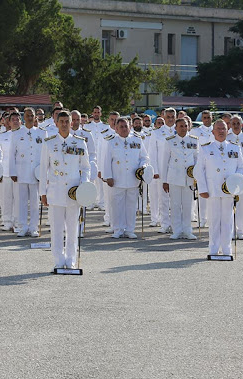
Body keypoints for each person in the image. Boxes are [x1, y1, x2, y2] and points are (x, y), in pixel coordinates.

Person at [39, 111, 90, 269]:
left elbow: (86, 168)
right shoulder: (49, 143)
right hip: (55, 191)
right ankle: (58, 259)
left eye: (67, 121)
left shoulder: (80, 143)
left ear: (72, 123)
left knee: (72, 228)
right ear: (56, 123)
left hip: (74, 192)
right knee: (56, 228)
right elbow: (43, 170)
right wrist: (43, 192)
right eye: (61, 121)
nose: (64, 124)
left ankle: (71, 259)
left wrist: (84, 186)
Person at [195, 120, 243, 257]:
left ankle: (227, 249)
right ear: (213, 132)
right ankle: (213, 249)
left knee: (228, 221)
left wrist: (236, 182)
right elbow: (199, 170)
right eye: (218, 129)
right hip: (213, 190)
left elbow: (241, 167)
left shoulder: (235, 148)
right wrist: (202, 189)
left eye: (223, 128)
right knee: (215, 220)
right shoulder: (206, 148)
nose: (221, 131)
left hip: (229, 190)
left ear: (227, 130)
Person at [102, 117, 149, 239]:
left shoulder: (137, 140)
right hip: (117, 179)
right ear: (116, 129)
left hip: (133, 179)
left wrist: (142, 168)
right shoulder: (111, 142)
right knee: (117, 206)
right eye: (121, 127)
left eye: (126, 126)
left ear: (130, 127)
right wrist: (108, 177)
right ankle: (118, 229)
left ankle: (130, 229)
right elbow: (107, 161)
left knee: (131, 206)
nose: (124, 129)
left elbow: (144, 157)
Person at [9, 107, 46, 237]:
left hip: (36, 173)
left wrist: (45, 173)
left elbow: (45, 155)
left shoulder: (42, 133)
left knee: (35, 202)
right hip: (21, 172)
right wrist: (12, 171)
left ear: (35, 117)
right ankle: (22, 226)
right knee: (21, 202)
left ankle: (34, 227)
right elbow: (12, 154)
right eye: (27, 115)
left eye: (32, 116)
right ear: (23, 118)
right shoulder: (16, 133)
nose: (30, 118)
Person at [161, 118, 199, 240]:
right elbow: (164, 162)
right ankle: (176, 230)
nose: (183, 128)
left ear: (188, 127)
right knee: (175, 205)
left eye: (185, 126)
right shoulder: (170, 141)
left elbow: (197, 159)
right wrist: (164, 181)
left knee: (188, 206)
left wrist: (197, 177)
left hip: (189, 178)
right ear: (176, 128)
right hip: (174, 177)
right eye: (181, 126)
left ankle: (187, 230)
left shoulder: (194, 140)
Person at [149, 108, 176, 233]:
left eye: (172, 116)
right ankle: (165, 223)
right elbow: (152, 153)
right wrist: (155, 170)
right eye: (168, 117)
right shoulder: (157, 133)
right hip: (162, 169)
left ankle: (176, 224)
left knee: (177, 200)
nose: (170, 119)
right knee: (163, 199)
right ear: (163, 118)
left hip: (177, 170)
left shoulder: (180, 130)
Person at [0, 112, 20, 231]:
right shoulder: (2, 136)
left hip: (20, 172)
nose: (15, 121)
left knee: (18, 199)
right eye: (13, 120)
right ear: (9, 122)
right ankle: (6, 221)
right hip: (5, 171)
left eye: (18, 119)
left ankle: (17, 222)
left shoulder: (24, 135)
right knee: (6, 199)